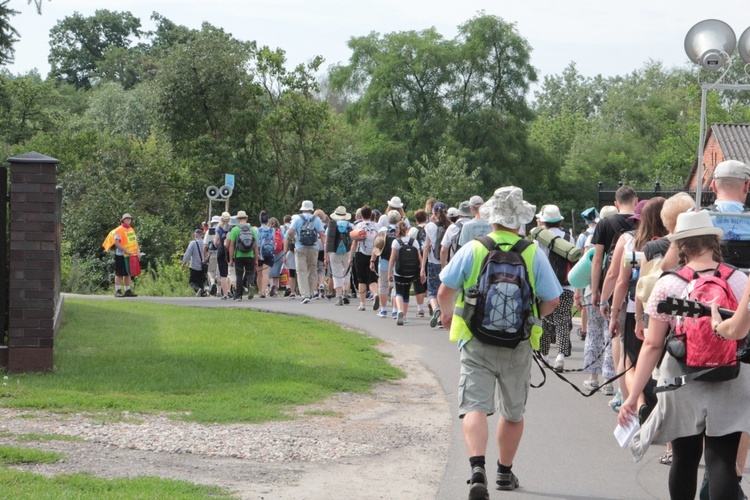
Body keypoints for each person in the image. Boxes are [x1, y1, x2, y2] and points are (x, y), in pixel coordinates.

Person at [437, 186, 561, 498]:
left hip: (475, 339)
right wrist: (532, 317)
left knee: (475, 406)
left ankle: (477, 468)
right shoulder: (531, 252)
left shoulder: (475, 248)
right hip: (517, 344)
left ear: (491, 217)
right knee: (513, 412)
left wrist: (448, 316)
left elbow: (445, 291)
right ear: (520, 220)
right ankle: (504, 473)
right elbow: (553, 300)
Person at [619, 211, 750, 500]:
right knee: (722, 460)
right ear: (713, 241)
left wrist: (632, 395)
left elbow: (652, 345)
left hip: (682, 377)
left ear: (681, 245)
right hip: (731, 375)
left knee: (684, 458)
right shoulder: (739, 279)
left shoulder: (668, 284)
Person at [536, 204, 576, 371]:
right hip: (567, 285)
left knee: (545, 320)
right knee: (562, 321)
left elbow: (538, 261)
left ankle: (544, 355)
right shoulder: (568, 237)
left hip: (547, 285)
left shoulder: (540, 238)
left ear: (543, 221)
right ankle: (560, 357)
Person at [286, 201, 326, 304]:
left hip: (300, 247)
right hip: (314, 247)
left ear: (302, 208)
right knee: (312, 270)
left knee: (301, 271)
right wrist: (326, 251)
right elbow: (322, 234)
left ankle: (305, 294)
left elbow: (290, 232)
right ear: (311, 209)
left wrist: (294, 239)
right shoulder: (316, 219)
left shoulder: (297, 218)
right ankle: (311, 292)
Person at [421, 202, 449, 327]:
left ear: (433, 213)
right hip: (448, 263)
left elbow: (426, 247)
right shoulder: (450, 226)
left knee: (432, 291)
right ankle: (441, 320)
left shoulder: (429, 226)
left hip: (433, 262)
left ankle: (435, 307)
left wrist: (422, 268)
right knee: (444, 291)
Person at [388, 220, 421, 325]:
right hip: (411, 271)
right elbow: (419, 257)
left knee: (398, 292)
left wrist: (389, 272)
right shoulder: (414, 241)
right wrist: (421, 270)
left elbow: (392, 258)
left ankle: (399, 311)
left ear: (397, 230)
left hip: (398, 271)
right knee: (406, 293)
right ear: (407, 229)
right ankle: (405, 316)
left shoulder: (396, 242)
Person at [350, 205, 381, 311]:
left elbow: (354, 243)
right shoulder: (377, 226)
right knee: (373, 280)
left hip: (360, 254)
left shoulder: (358, 226)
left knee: (361, 280)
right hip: (374, 254)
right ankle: (375, 294)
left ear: (361, 215)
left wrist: (350, 257)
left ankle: (362, 304)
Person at [227, 210, 259, 301]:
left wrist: (231, 259)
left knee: (239, 275)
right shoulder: (252, 229)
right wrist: (256, 257)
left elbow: (231, 245)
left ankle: (238, 295)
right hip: (250, 255)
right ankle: (250, 285)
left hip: (239, 256)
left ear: (238, 219)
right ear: (246, 218)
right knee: (250, 273)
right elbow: (256, 245)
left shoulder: (235, 230)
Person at [327, 206, 354, 306]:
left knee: (337, 274)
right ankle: (345, 294)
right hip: (347, 251)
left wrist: (327, 255)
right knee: (347, 273)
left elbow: (328, 241)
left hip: (335, 252)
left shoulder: (332, 225)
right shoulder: (350, 225)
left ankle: (339, 298)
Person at [111, 213, 140, 297]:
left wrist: (137, 250)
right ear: (123, 220)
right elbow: (116, 243)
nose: (128, 220)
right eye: (126, 219)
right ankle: (118, 290)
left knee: (128, 273)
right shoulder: (119, 230)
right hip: (120, 254)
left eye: (129, 219)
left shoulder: (131, 229)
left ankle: (127, 290)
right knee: (119, 273)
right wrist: (126, 250)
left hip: (129, 255)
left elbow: (135, 241)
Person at [407, 209, 429, 317]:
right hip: (430, 258)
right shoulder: (431, 227)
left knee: (418, 284)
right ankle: (431, 302)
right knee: (429, 284)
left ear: (416, 219)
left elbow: (408, 244)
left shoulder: (413, 230)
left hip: (417, 259)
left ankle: (420, 309)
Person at [441, 201, 472, 268]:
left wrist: (443, 268)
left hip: (456, 264)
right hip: (472, 264)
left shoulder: (452, 227)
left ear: (459, 214)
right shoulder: (476, 226)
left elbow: (443, 250)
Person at [182, 228, 207, 296]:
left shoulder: (193, 243)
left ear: (196, 235)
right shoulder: (205, 242)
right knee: (201, 282)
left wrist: (184, 263)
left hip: (194, 266)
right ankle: (202, 293)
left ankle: (197, 289)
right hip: (203, 266)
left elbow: (188, 254)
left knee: (192, 282)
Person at [214, 212, 232, 300]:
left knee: (223, 274)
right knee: (227, 272)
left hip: (221, 251)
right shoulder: (231, 229)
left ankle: (224, 294)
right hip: (229, 252)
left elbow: (215, 242)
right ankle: (229, 290)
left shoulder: (219, 229)